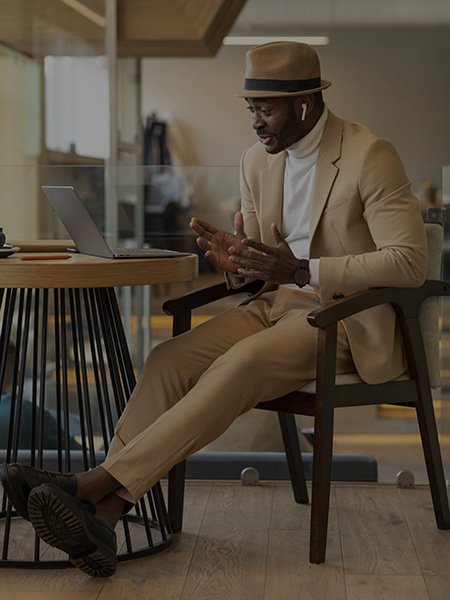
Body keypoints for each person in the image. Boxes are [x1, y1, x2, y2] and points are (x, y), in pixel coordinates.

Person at [0, 41, 427, 577]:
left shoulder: (370, 154)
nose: (255, 122)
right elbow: (259, 265)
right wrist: (235, 264)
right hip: (276, 303)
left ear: (304, 104)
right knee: (167, 359)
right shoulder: (256, 161)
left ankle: (90, 485)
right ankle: (105, 517)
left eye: (265, 110)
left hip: (343, 317)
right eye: (249, 108)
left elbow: (409, 262)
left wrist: (301, 270)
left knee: (240, 365)